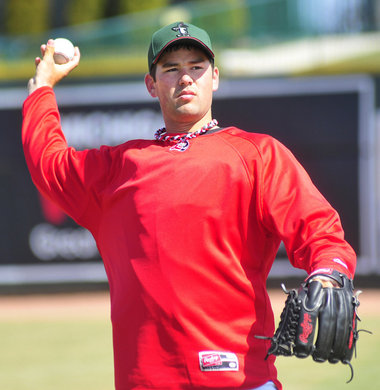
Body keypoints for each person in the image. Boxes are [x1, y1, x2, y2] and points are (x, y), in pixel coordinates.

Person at [22, 21, 356, 390]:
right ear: (152, 84)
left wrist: (328, 271)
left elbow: (319, 229)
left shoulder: (257, 155)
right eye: (171, 68)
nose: (185, 78)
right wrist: (42, 90)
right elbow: (48, 163)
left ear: (214, 77)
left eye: (196, 67)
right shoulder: (117, 168)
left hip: (241, 380)